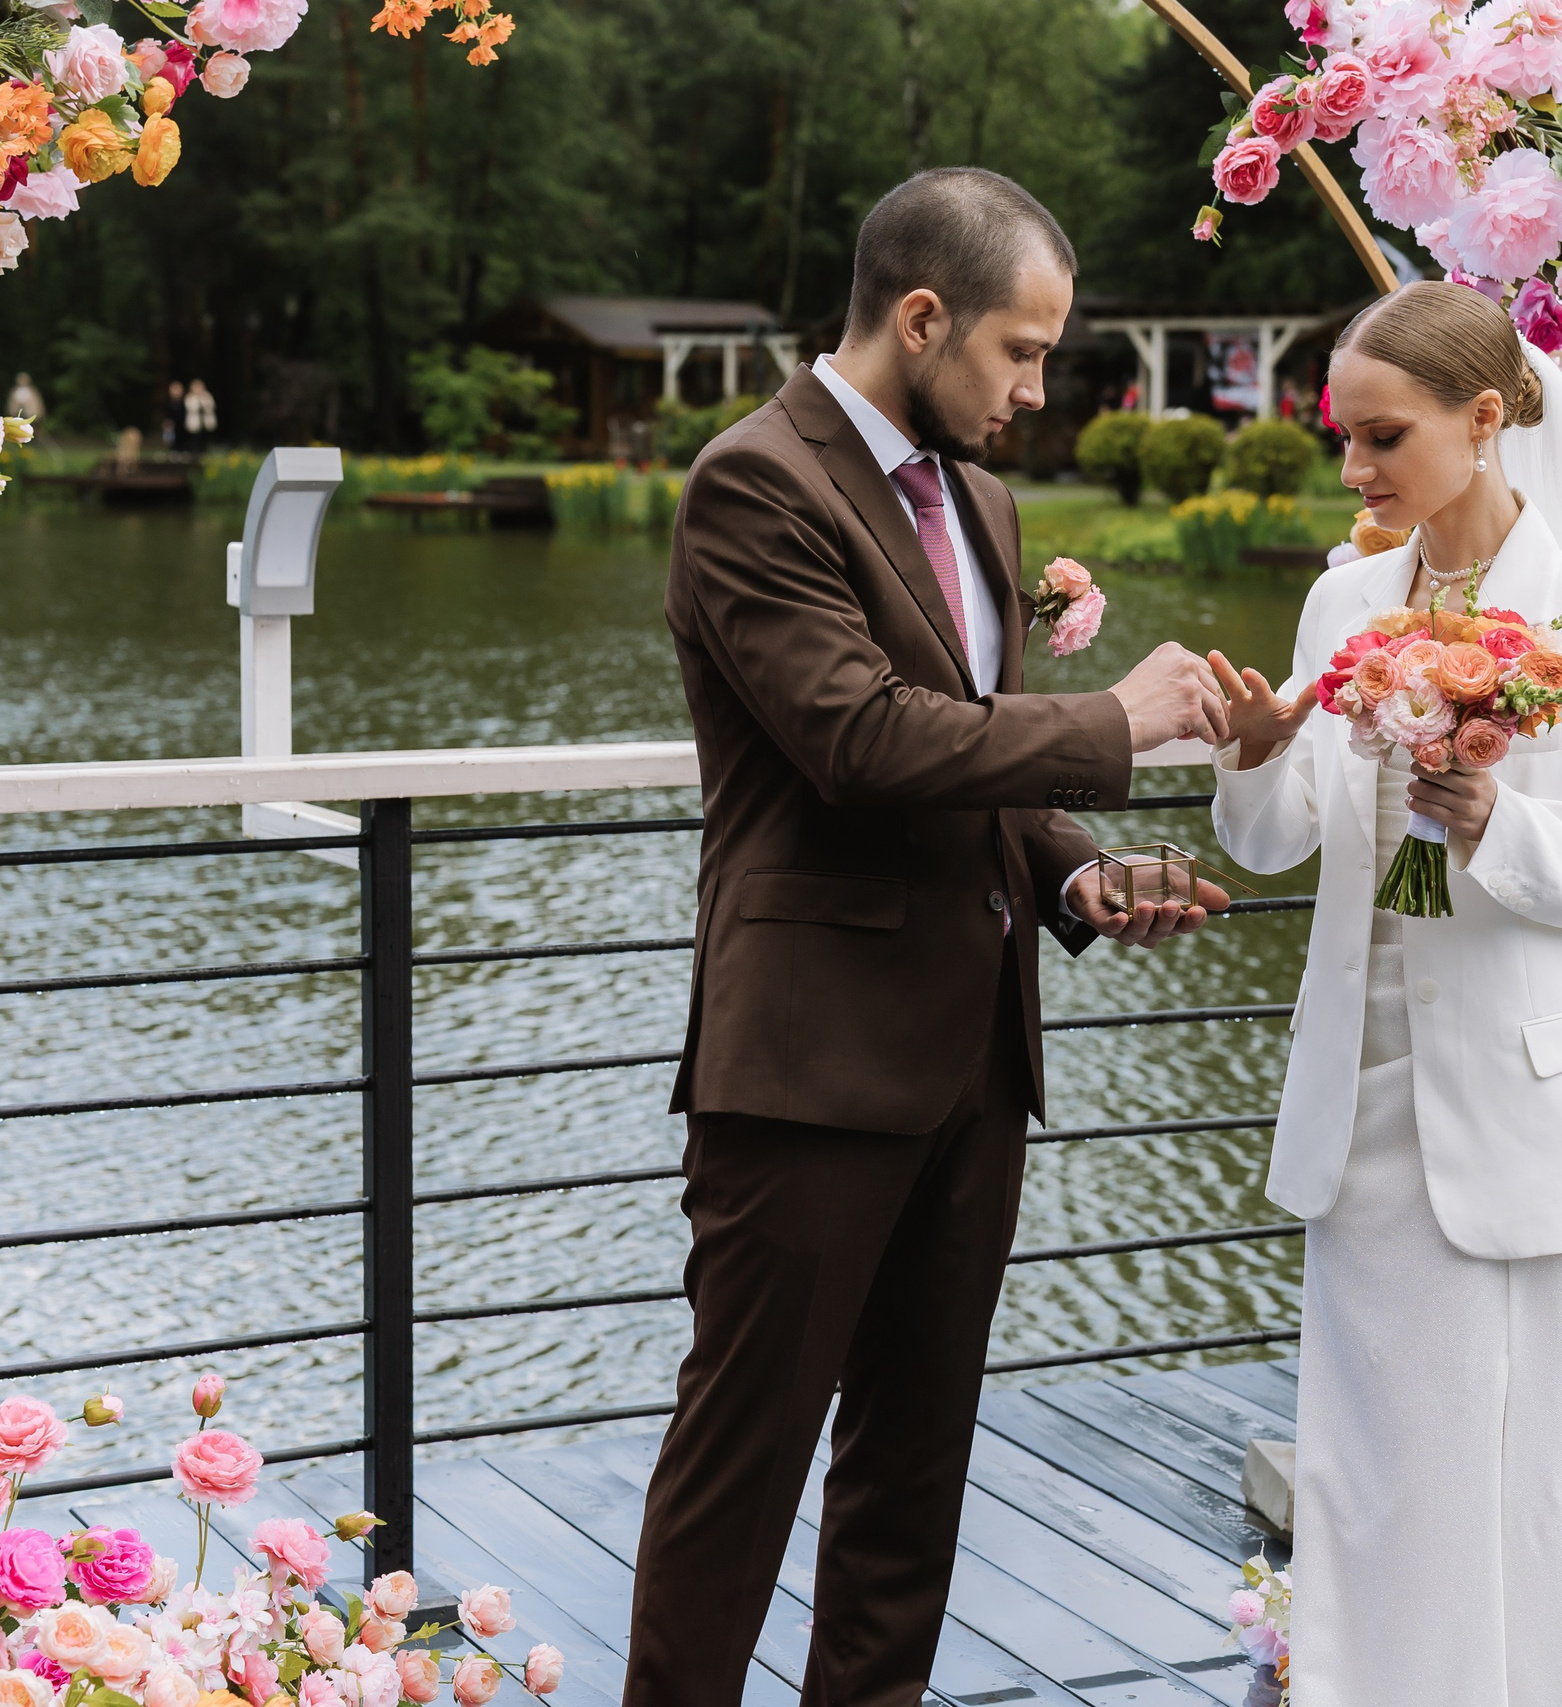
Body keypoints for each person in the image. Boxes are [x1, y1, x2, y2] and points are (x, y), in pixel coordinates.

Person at [638, 166, 1233, 1706]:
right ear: (921, 318)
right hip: (809, 1069)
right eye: (1020, 351)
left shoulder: (981, 500)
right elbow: (860, 739)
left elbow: (975, 760)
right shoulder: (753, 481)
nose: (1035, 389)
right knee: (740, 1473)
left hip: (976, 1064)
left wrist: (1078, 877)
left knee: (912, 1477)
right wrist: (1117, 719)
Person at [1206, 281, 1562, 1705]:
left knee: (1513, 1473)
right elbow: (1275, 840)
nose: (1355, 469)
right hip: (1357, 1092)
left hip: (1509, 1096)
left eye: (1383, 436)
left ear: (1486, 417)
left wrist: (1501, 821)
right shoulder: (1342, 601)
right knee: (1363, 1469)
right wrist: (1253, 754)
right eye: (1344, 436)